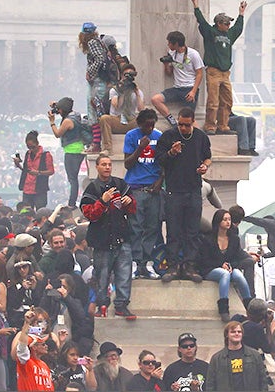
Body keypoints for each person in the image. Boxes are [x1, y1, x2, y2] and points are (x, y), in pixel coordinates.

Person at [155, 107, 211, 284]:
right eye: (180, 124)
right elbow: (160, 160)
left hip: (193, 189)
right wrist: (171, 152)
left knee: (192, 231)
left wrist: (205, 166)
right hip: (174, 190)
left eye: (187, 125)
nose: (183, 128)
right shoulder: (168, 136)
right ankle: (172, 265)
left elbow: (207, 157)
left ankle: (189, 265)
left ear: (193, 122)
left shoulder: (201, 137)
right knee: (173, 231)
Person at [81, 154, 138, 319]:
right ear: (96, 167)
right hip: (102, 242)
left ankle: (121, 306)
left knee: (124, 274)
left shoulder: (120, 184)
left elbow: (132, 209)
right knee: (102, 277)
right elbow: (89, 214)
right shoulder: (92, 189)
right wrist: (103, 201)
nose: (107, 167)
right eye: (103, 164)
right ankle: (102, 305)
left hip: (122, 238)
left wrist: (129, 201)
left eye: (109, 164)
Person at [191, 0, 246, 135]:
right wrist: (195, 5)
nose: (229, 25)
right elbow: (202, 22)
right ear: (219, 24)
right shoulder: (211, 32)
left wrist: (241, 14)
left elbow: (238, 29)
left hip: (225, 73)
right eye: (226, 23)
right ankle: (210, 125)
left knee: (227, 101)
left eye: (229, 23)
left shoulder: (229, 35)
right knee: (213, 101)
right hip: (213, 71)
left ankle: (223, 125)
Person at [124, 109, 164, 280]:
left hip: (154, 188)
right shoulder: (131, 136)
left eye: (152, 125)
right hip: (136, 187)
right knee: (135, 226)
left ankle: (147, 263)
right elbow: (127, 163)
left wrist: (160, 180)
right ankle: (135, 262)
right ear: (140, 124)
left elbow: (164, 162)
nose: (149, 129)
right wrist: (140, 148)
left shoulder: (159, 136)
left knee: (152, 227)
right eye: (146, 125)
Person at [199, 209, 253, 321]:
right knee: (224, 274)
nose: (228, 222)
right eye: (225, 219)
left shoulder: (234, 239)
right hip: (210, 269)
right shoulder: (208, 239)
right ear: (218, 221)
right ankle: (223, 308)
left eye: (229, 219)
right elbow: (204, 260)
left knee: (238, 275)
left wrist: (231, 264)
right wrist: (220, 264)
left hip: (229, 268)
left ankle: (250, 306)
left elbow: (237, 256)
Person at [151, 31, 204, 127]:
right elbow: (169, 73)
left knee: (189, 118)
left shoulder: (193, 54)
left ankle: (199, 136)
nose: (168, 45)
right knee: (155, 99)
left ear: (176, 43)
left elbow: (199, 73)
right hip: (177, 88)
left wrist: (193, 91)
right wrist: (166, 65)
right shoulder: (171, 53)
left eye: (170, 43)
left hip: (189, 88)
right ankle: (173, 121)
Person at [207, 321, 268, 391]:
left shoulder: (254, 355)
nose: (236, 334)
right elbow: (210, 384)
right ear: (227, 335)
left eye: (239, 332)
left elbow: (263, 380)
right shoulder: (217, 358)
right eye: (233, 332)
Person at [49, 97, 86, 209]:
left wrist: (52, 122)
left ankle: (71, 203)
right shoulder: (75, 115)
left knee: (72, 179)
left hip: (72, 151)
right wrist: (56, 105)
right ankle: (72, 202)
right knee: (73, 178)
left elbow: (57, 133)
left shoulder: (67, 121)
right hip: (79, 148)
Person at [100, 64, 146, 154]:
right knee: (104, 119)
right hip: (117, 120)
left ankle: (139, 148)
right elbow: (116, 105)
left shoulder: (137, 91)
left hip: (131, 120)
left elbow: (141, 109)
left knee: (144, 120)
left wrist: (136, 93)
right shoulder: (115, 90)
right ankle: (107, 149)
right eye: (126, 74)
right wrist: (122, 91)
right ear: (121, 75)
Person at [79, 21, 108, 153]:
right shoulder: (99, 42)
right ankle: (97, 142)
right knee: (97, 110)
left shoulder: (92, 43)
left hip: (97, 81)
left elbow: (99, 59)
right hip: (99, 81)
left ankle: (96, 142)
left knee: (94, 111)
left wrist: (90, 72)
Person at [13, 130, 55, 210]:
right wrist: (18, 165)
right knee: (26, 211)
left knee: (40, 211)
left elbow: (51, 171)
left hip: (39, 189)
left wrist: (38, 173)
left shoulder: (46, 155)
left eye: (33, 147)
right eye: (29, 147)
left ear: (37, 143)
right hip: (27, 188)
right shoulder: (28, 154)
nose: (31, 149)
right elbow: (27, 171)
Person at [16, 309, 55, 391]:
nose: (46, 346)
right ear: (34, 347)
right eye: (42, 344)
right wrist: (27, 323)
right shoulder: (26, 362)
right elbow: (22, 346)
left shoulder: (44, 365)